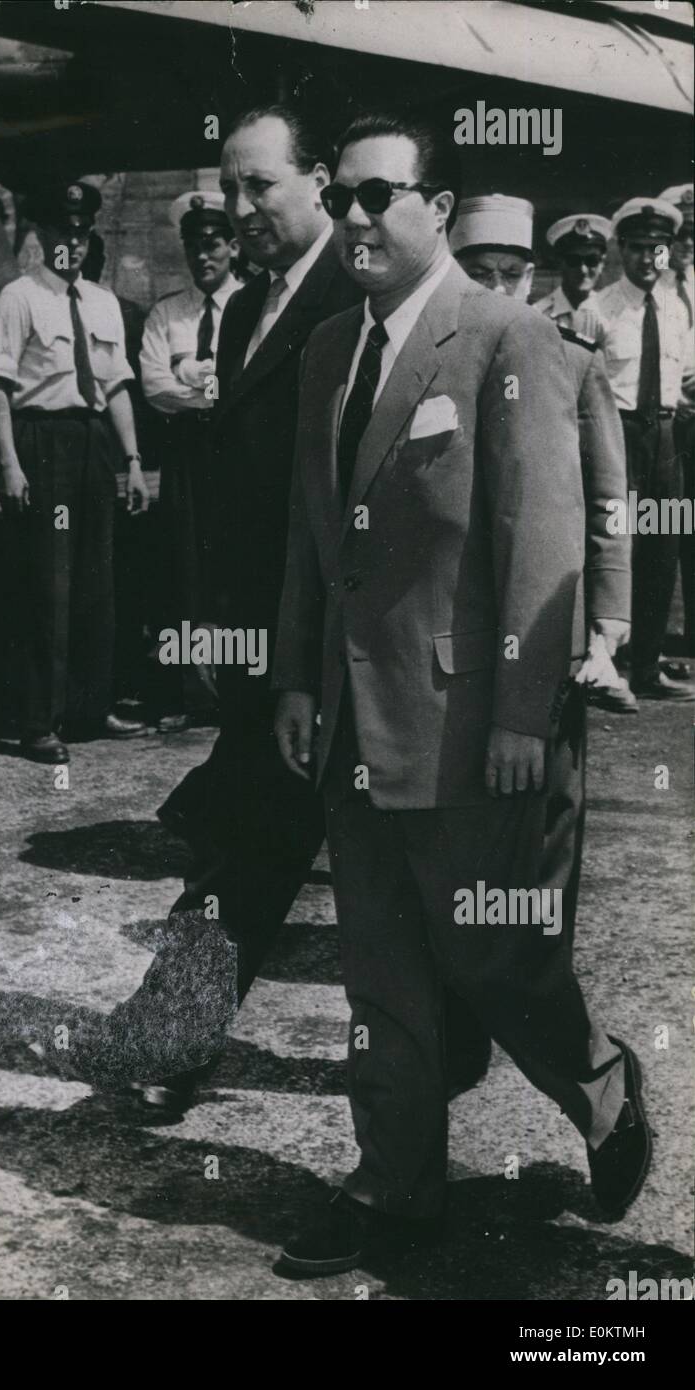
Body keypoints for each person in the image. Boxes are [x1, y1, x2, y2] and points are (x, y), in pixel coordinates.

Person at [272, 110, 650, 1276]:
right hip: (350, 723)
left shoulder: (504, 340)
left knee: (493, 957)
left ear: (435, 210)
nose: (353, 216)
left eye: (379, 193)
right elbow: (308, 538)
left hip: (468, 725)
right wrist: (291, 677)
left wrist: (525, 719)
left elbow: (541, 543)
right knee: (381, 973)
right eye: (338, 196)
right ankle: (396, 1189)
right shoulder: (332, 347)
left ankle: (601, 1084)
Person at [140, 105, 363, 1115]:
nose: (238, 208)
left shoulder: (357, 301)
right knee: (249, 843)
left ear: (319, 181)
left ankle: (586, 1080)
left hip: (348, 648)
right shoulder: (242, 308)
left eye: (259, 185)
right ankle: (171, 1037)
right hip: (271, 648)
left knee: (430, 903)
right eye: (227, 187)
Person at [448, 194, 631, 1089]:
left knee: (539, 866)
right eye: (476, 275)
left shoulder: (572, 359)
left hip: (545, 644)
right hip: (449, 648)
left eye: (508, 276)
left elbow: (606, 502)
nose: (494, 291)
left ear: (533, 277)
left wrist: (609, 627)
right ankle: (466, 1037)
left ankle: (566, 1050)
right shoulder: (430, 357)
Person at [0, 182, 150, 764]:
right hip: (42, 444)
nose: (71, 246)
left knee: (97, 587)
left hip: (93, 445)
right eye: (62, 235)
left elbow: (118, 385)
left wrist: (131, 461)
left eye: (81, 236)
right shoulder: (16, 300)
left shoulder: (101, 302)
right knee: (49, 590)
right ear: (41, 238)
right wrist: (10, 463)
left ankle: (90, 707)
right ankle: (38, 725)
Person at [139, 191, 241, 729]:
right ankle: (192, 695)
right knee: (186, 566)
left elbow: (248, 385)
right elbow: (154, 386)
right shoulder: (167, 313)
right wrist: (212, 389)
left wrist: (194, 380)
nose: (203, 257)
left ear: (232, 247)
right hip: (185, 454)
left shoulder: (254, 305)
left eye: (212, 245)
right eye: (193, 247)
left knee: (232, 564)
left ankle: (235, 691)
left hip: (237, 454)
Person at [595, 197, 694, 702]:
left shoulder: (677, 309)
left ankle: (648, 667)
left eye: (658, 250)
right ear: (621, 251)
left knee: (662, 551)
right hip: (621, 438)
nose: (648, 260)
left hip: (666, 441)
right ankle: (606, 665)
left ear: (669, 253)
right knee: (619, 550)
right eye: (638, 249)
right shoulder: (602, 309)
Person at [658, 184, 695, 663]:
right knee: (667, 527)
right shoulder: (655, 289)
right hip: (670, 422)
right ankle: (647, 636)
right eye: (683, 232)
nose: (689, 242)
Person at [532, 213, 611, 344]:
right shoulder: (538, 315)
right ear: (559, 263)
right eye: (573, 260)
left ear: (602, 264)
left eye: (592, 261)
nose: (583, 270)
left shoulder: (611, 314)